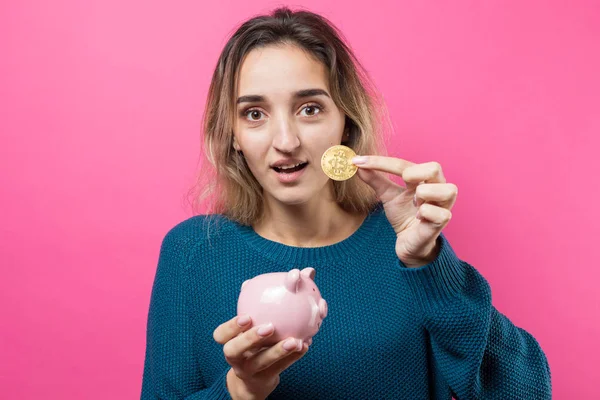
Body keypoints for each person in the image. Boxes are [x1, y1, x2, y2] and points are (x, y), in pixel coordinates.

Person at [140, 6, 552, 400]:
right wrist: (239, 391)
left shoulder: (406, 246)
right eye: (254, 114)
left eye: (310, 108)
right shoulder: (191, 253)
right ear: (231, 134)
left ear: (345, 122)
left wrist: (430, 265)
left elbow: (528, 392)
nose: (285, 142)